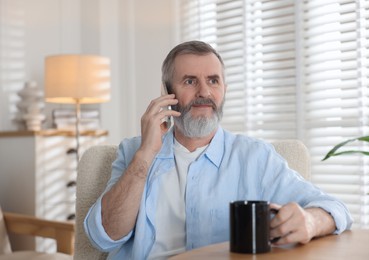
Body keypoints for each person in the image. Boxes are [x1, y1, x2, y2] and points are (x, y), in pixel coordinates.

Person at [84, 40, 353, 259]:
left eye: (213, 81)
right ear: (167, 92)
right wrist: (144, 158)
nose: (204, 92)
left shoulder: (255, 157)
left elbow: (335, 209)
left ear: (224, 89)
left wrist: (310, 221)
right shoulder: (134, 151)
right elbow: (103, 237)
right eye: (190, 81)